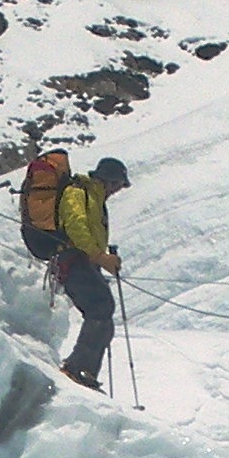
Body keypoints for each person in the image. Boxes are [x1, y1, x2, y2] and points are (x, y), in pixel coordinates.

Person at [53, 156, 129, 389]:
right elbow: (76, 225)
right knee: (100, 306)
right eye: (116, 184)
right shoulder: (79, 192)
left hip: (84, 260)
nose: (116, 190)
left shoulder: (94, 197)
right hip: (73, 258)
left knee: (104, 312)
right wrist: (100, 256)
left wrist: (100, 258)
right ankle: (76, 367)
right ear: (107, 180)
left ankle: (86, 371)